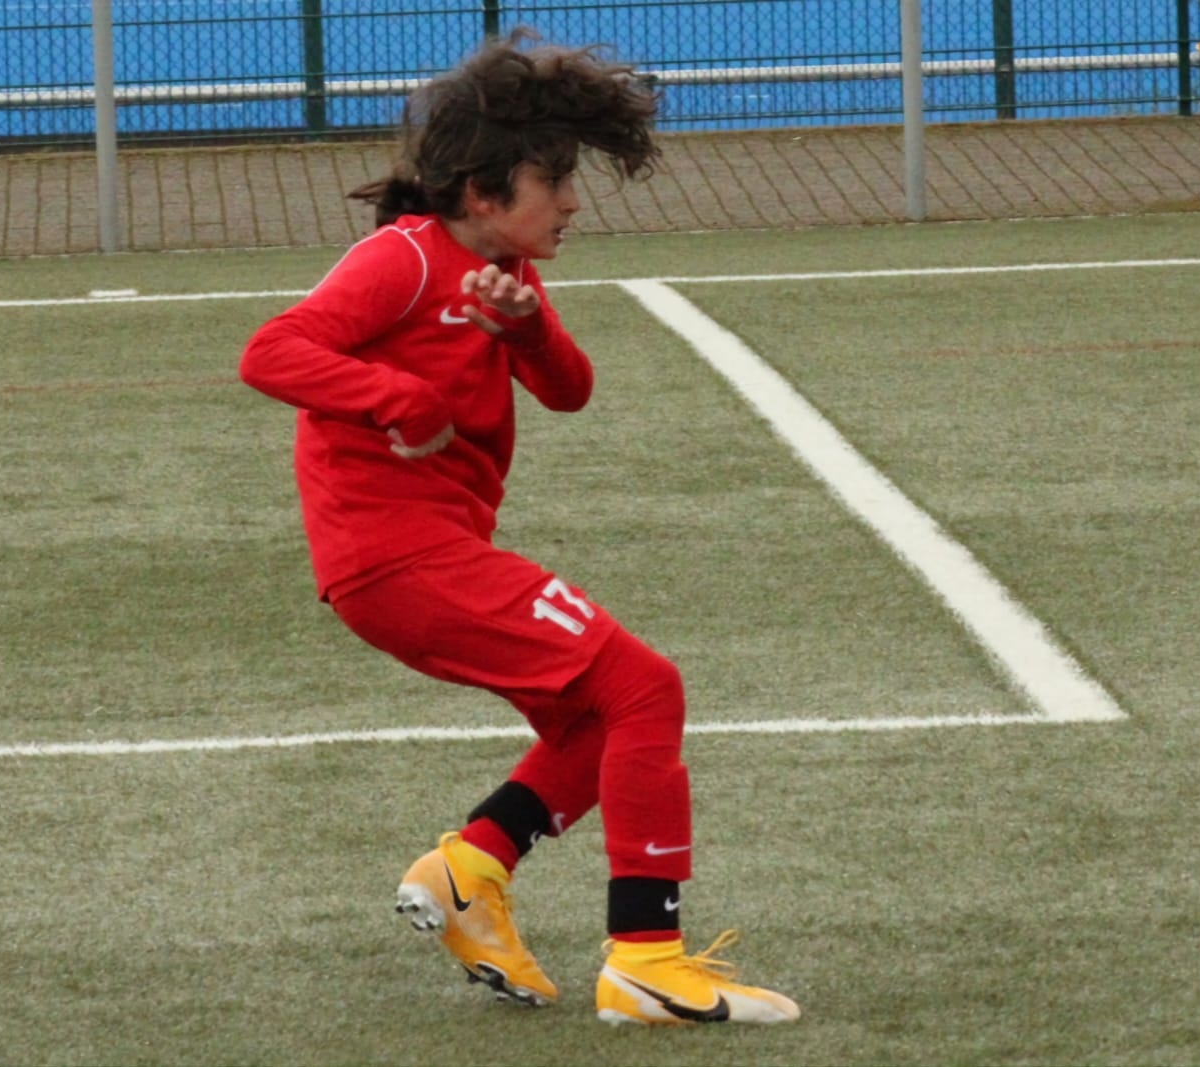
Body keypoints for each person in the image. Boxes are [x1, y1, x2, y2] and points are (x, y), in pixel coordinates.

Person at [238, 31, 798, 1027]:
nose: (572, 202)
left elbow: (570, 390)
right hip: (396, 558)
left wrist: (527, 330)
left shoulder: (502, 271)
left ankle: (470, 868)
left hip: (430, 556)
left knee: (598, 719)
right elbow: (271, 351)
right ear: (485, 192)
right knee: (645, 686)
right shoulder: (403, 259)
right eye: (555, 181)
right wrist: (396, 399)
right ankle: (646, 961)